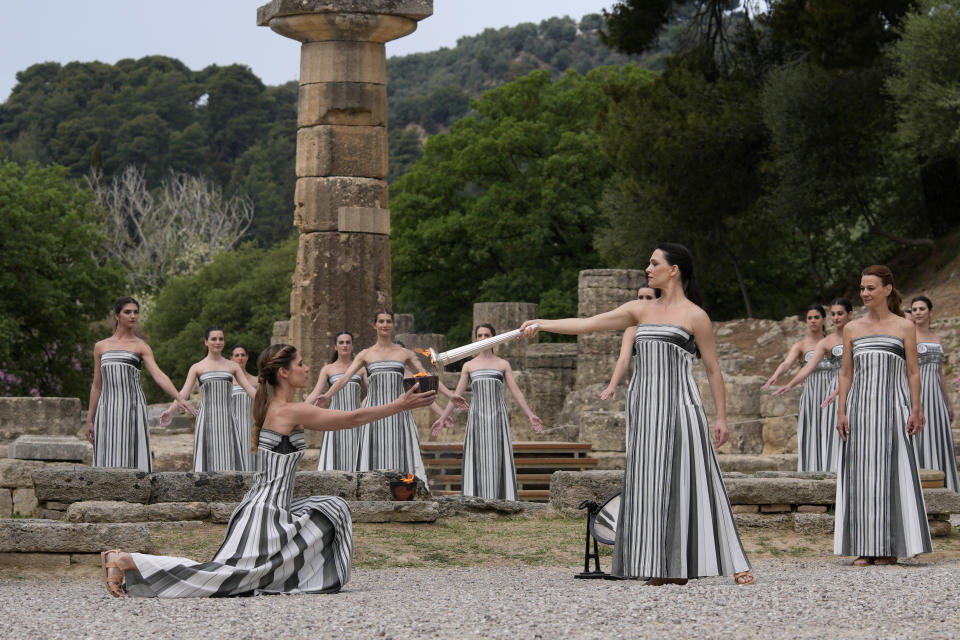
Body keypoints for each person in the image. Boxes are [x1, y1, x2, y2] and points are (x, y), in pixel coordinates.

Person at [99, 343, 437, 598]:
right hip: (263, 513)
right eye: (301, 364)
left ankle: (292, 576)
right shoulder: (286, 410)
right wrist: (401, 404)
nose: (307, 368)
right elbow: (351, 419)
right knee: (221, 578)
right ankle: (127, 559)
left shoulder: (278, 406)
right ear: (284, 373)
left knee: (333, 508)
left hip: (273, 508)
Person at [519, 243, 753, 585]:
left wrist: (721, 417)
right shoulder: (639, 310)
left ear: (673, 270)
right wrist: (542, 323)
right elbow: (588, 325)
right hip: (645, 411)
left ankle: (736, 562)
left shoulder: (695, 316)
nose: (648, 268)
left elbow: (714, 371)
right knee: (648, 484)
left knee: (700, 480)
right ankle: (661, 564)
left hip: (681, 407)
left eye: (654, 263)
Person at [834, 266, 932, 566]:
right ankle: (864, 547)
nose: (865, 293)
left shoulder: (904, 326)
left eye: (871, 288)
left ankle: (889, 547)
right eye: (862, 288)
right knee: (861, 478)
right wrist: (841, 409)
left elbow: (913, 371)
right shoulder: (852, 328)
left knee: (890, 476)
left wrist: (916, 408)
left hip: (893, 409)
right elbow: (846, 373)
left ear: (887, 290)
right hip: (861, 411)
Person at [308, 311, 467, 485]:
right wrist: (327, 395)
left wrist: (450, 395)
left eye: (388, 321)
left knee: (401, 453)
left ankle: (407, 491)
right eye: (381, 321)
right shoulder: (365, 355)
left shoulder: (404, 353)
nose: (385, 325)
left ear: (393, 325)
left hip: (399, 413)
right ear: (374, 325)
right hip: (373, 413)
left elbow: (425, 375)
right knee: (372, 456)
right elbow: (345, 378)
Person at [431, 323, 543, 500]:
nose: (483, 339)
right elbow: (457, 395)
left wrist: (530, 415)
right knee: (478, 457)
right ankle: (475, 499)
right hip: (476, 417)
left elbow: (516, 391)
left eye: (487, 335)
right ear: (475, 339)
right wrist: (443, 417)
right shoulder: (468, 365)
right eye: (480, 335)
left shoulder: (503, 364)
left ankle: (502, 499)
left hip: (498, 416)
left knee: (498, 456)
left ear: (494, 338)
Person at [85, 297, 196, 471]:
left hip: (132, 408)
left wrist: (179, 398)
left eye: (136, 312)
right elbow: (97, 385)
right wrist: (90, 419)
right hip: (107, 409)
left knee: (132, 454)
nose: (132, 316)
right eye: (127, 312)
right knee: (107, 454)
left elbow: (158, 375)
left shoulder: (141, 346)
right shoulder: (101, 346)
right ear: (117, 315)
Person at [772, 299, 853, 471]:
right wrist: (784, 381)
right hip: (816, 392)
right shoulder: (809, 345)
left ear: (823, 319)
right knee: (816, 432)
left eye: (817, 317)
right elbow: (794, 365)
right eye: (810, 318)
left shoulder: (852, 336)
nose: (813, 320)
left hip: (843, 388)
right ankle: (816, 470)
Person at [161, 327, 256, 472]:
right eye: (214, 339)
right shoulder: (197, 367)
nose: (218, 342)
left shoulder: (233, 366)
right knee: (207, 463)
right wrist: (170, 411)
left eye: (221, 339)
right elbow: (184, 393)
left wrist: (273, 404)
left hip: (228, 419)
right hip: (206, 420)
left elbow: (250, 389)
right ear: (206, 342)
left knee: (230, 460)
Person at [908, 296, 958, 492]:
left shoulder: (937, 339)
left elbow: (940, 373)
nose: (918, 312)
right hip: (918, 393)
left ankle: (943, 483)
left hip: (936, 395)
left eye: (921, 308)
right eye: (914, 309)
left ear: (930, 311)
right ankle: (920, 486)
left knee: (938, 435)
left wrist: (948, 403)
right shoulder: (909, 336)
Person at [308, 331, 368, 471]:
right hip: (334, 420)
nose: (345, 345)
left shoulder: (361, 369)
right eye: (341, 342)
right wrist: (298, 409)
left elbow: (372, 392)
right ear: (335, 346)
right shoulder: (328, 369)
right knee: (334, 457)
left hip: (355, 420)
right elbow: (316, 392)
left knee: (356, 458)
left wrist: (361, 406)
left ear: (352, 346)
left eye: (348, 342)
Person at [600, 285, 657, 401]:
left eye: (649, 297)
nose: (643, 301)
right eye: (640, 297)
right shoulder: (632, 329)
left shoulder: (671, 323)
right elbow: (623, 359)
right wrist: (612, 386)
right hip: (643, 387)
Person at [229, 344, 258, 472]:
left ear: (247, 358)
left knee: (251, 460)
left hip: (250, 426)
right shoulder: (226, 381)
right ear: (231, 359)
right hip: (232, 426)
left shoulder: (256, 380)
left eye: (242, 355)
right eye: (237, 355)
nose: (240, 358)